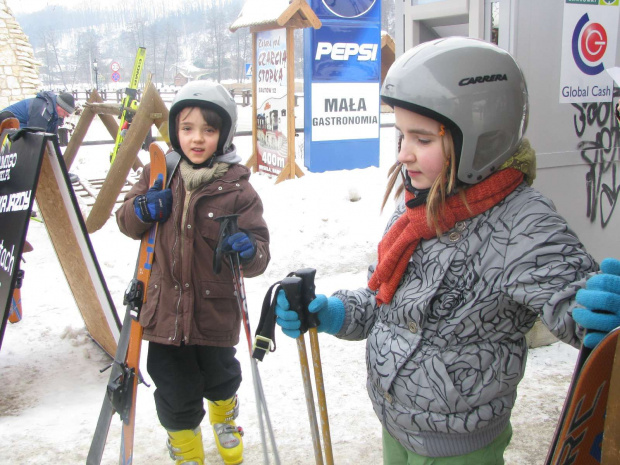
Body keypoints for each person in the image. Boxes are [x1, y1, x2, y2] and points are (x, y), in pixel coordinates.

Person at [275, 37, 616, 464]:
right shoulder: (416, 203)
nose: (403, 154)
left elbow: (574, 307)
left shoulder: (522, 222)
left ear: (480, 137)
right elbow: (387, 301)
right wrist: (331, 312)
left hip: (459, 448)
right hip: (395, 425)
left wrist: (600, 313)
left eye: (421, 139)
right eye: (401, 135)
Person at [116, 81, 270, 465]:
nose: (196, 138)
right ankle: (186, 449)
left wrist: (249, 250)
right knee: (172, 391)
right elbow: (125, 219)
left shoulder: (237, 188)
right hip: (164, 312)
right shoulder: (159, 172)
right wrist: (142, 209)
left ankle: (224, 419)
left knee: (221, 379)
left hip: (214, 311)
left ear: (224, 134)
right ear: (175, 131)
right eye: (186, 128)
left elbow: (261, 252)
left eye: (208, 129)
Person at [1, 90, 76, 134]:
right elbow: (35, 134)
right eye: (65, 113)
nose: (66, 116)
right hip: (6, 124)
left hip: (20, 127)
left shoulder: (53, 115)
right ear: (59, 106)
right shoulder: (42, 109)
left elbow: (51, 137)